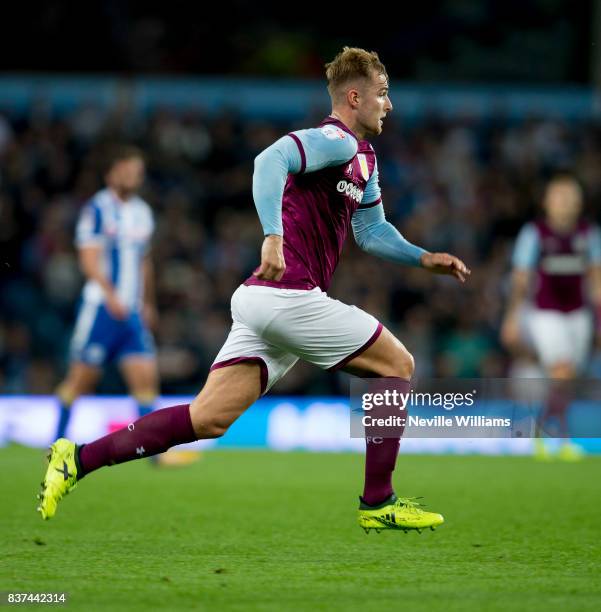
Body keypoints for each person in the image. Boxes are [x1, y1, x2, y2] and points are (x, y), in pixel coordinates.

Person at [38, 47, 469, 532]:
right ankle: (378, 501)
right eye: (383, 95)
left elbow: (371, 232)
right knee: (398, 364)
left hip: (267, 301)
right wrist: (272, 234)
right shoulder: (337, 140)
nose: (388, 105)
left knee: (206, 419)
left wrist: (422, 257)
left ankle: (75, 459)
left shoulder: (364, 159)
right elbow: (272, 158)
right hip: (289, 294)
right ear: (355, 97)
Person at [52, 145, 196, 466]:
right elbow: (88, 259)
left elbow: (144, 262)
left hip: (130, 313)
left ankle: (155, 456)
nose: (133, 177)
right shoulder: (97, 209)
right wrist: (111, 295)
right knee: (80, 381)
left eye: (138, 172)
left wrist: (148, 303)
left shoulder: (142, 212)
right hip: (101, 309)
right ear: (112, 173)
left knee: (145, 381)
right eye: (128, 170)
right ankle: (55, 445)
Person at [501, 173, 601, 460]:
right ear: (547, 202)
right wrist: (512, 317)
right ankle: (560, 437)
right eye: (559, 195)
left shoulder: (588, 233)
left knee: (566, 378)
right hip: (546, 314)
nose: (566, 201)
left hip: (579, 315)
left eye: (571, 196)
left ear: (580, 202)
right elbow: (521, 278)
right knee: (562, 369)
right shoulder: (535, 233)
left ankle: (541, 430)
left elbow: (596, 279)